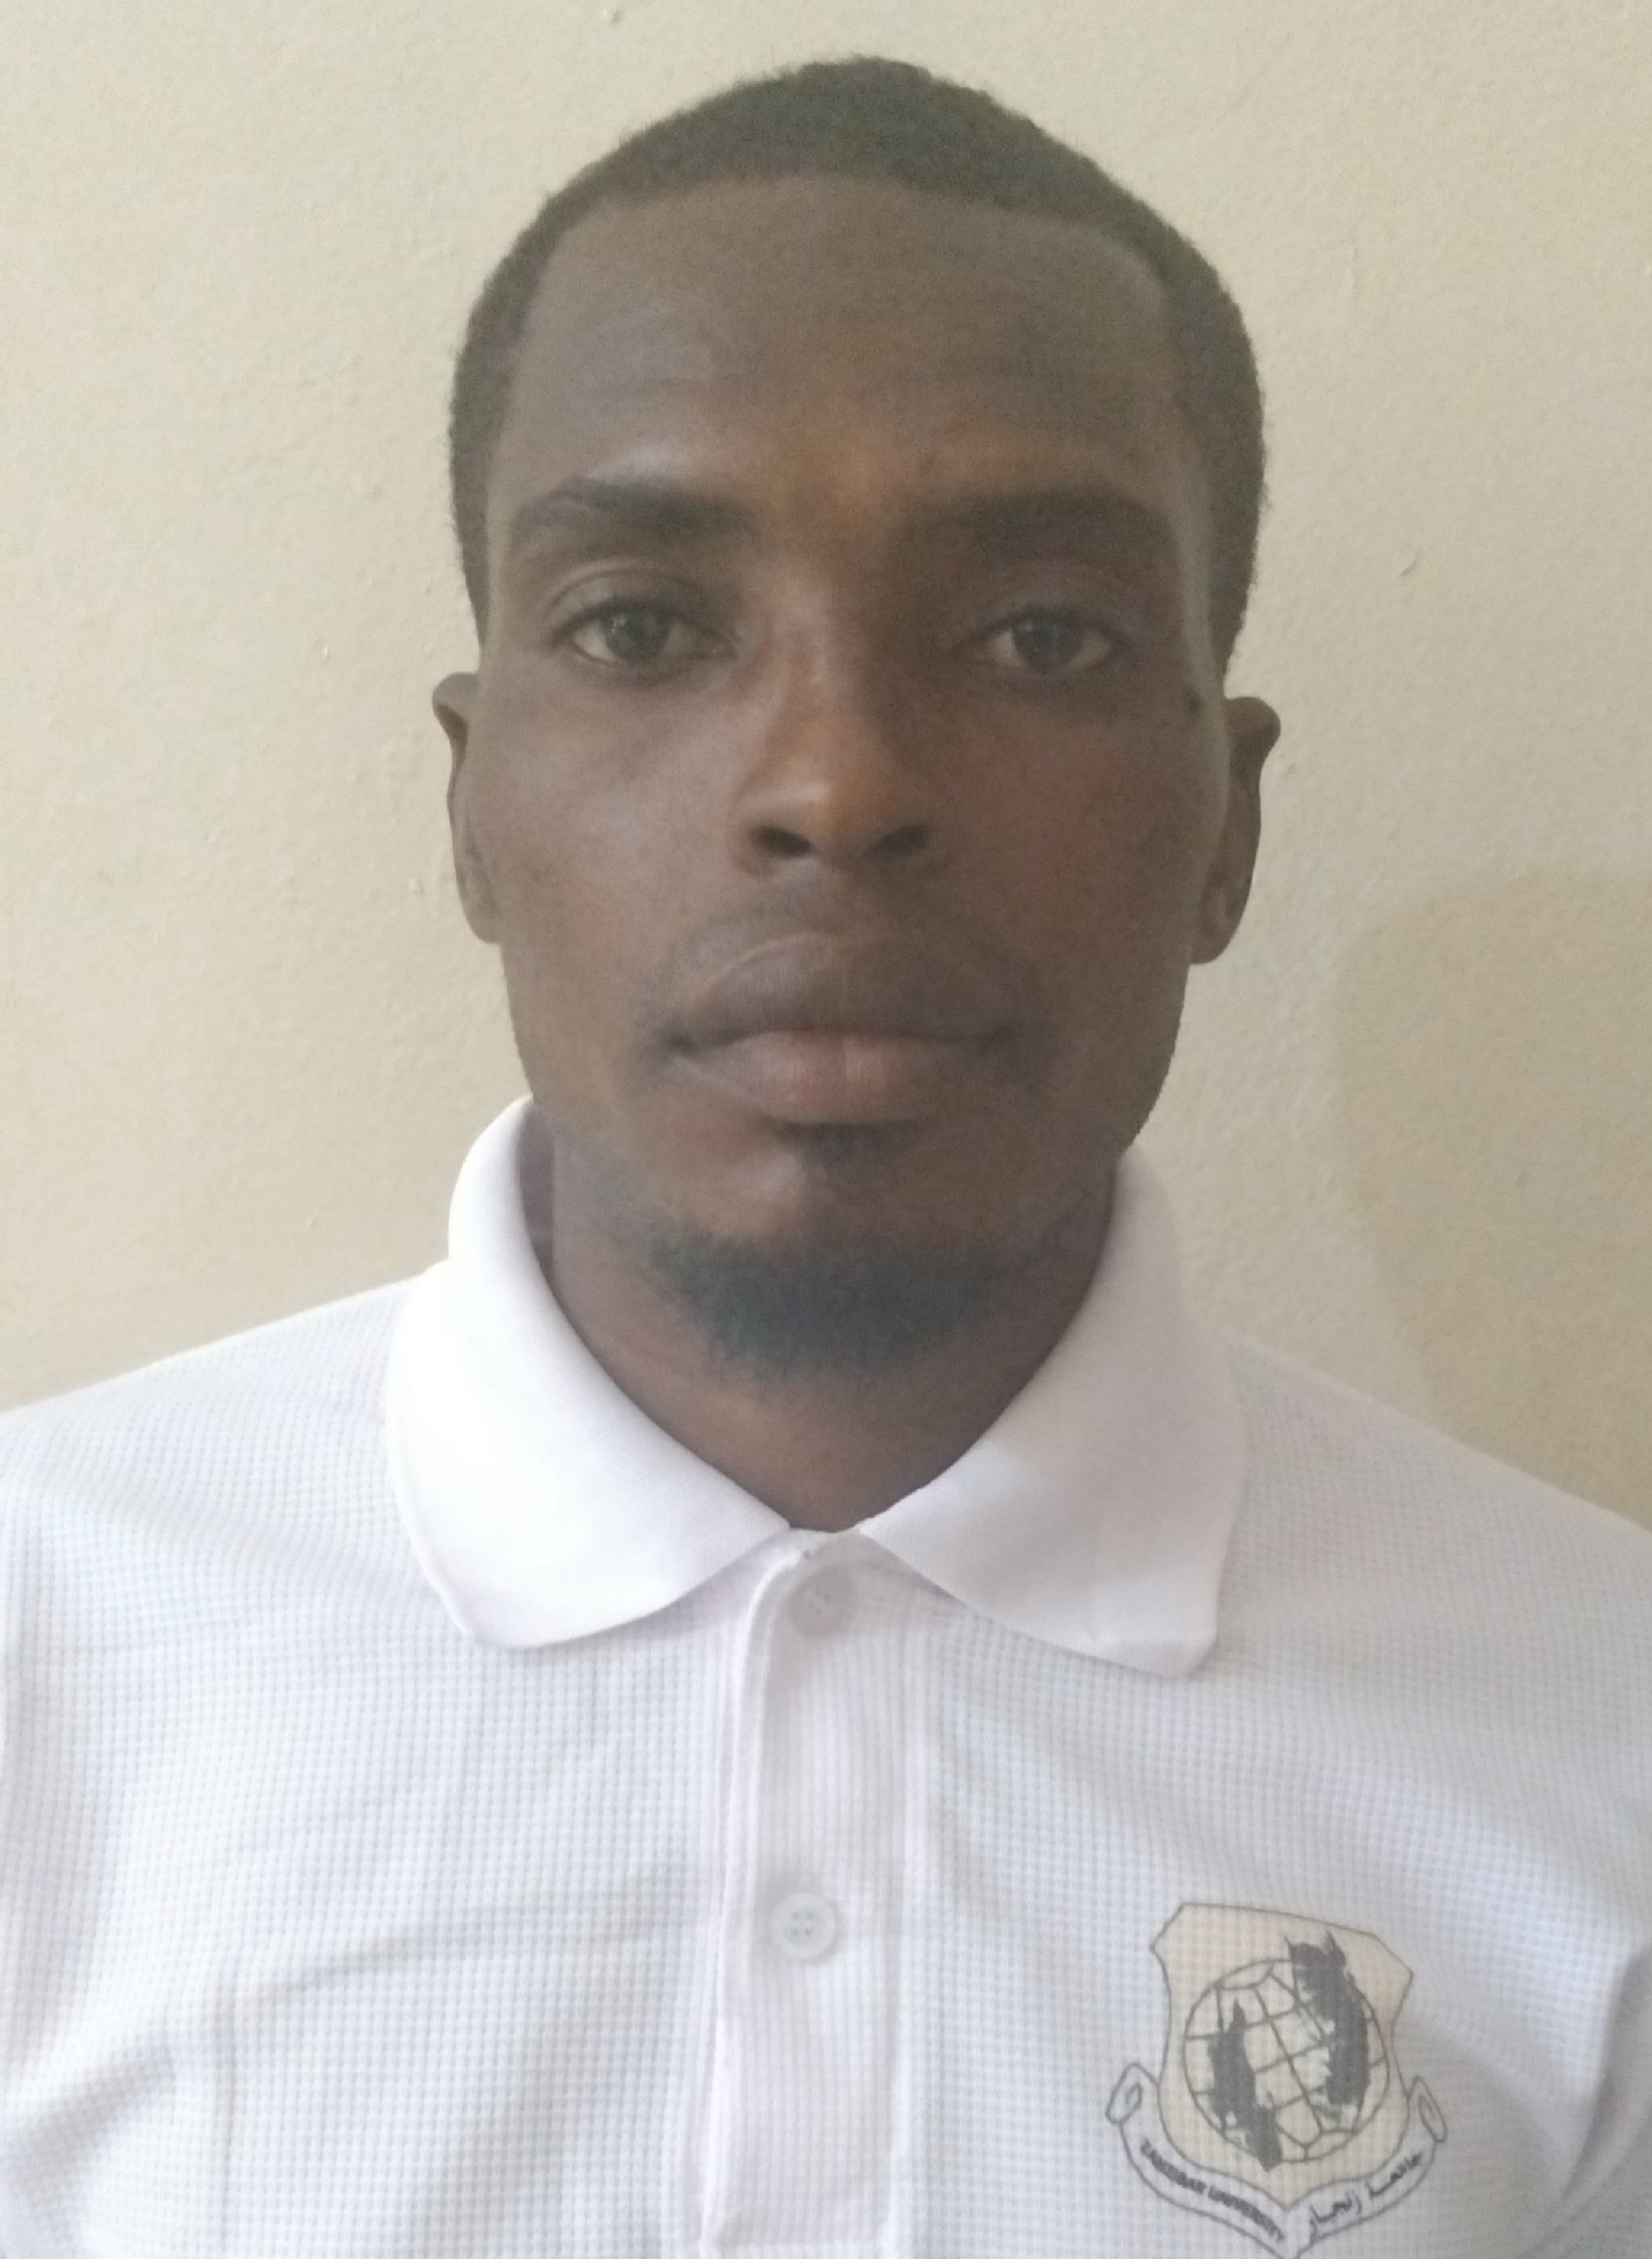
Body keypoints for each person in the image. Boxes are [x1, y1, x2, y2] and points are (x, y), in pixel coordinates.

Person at [1, 57, 1648, 2259]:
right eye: (643, 627)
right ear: (473, 805)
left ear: (1225, 826)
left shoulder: (1603, 1734)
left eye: (1041, 635)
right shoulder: (47, 1651)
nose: (838, 781)